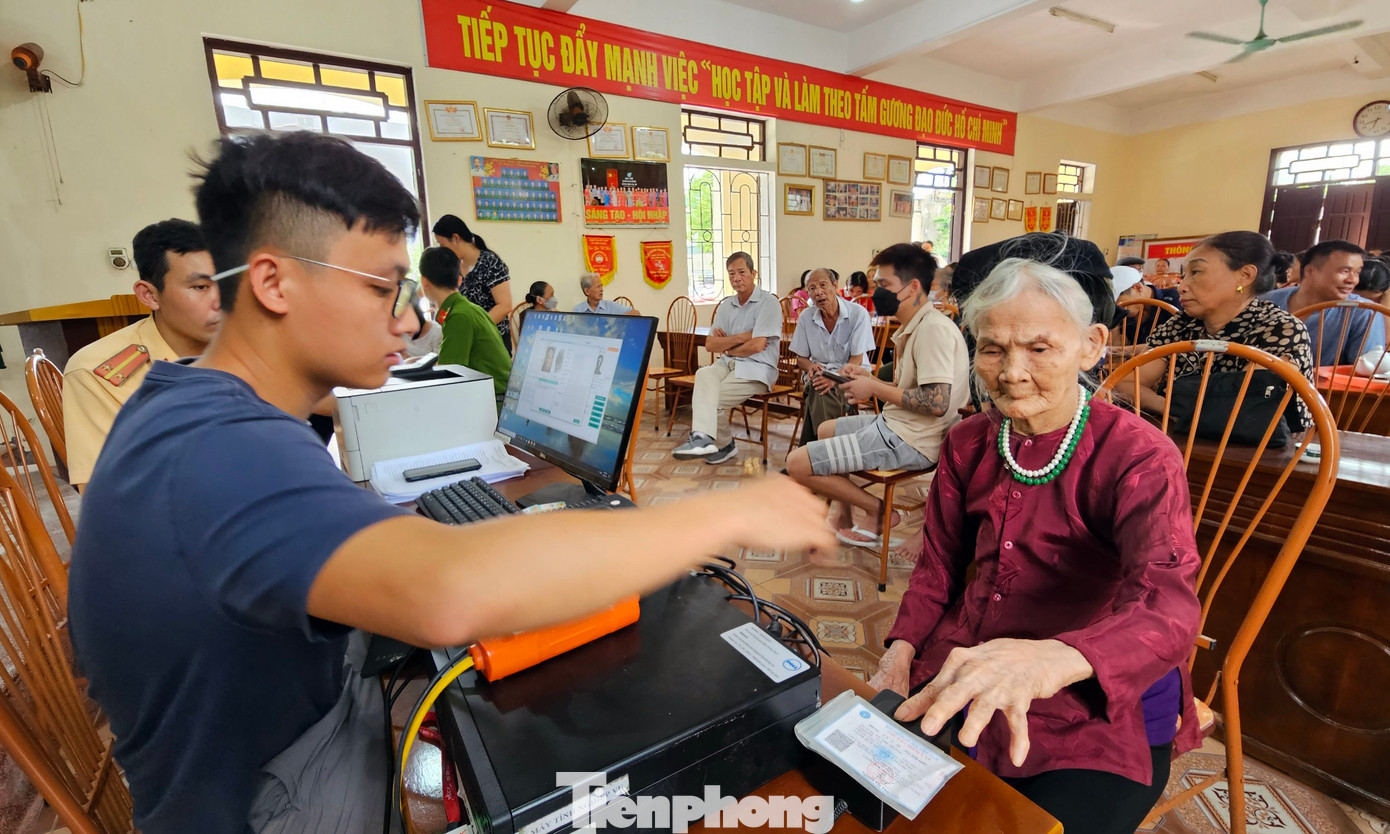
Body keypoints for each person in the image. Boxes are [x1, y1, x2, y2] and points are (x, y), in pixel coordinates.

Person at [67, 132, 835, 834]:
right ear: (274, 282)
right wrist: (725, 513)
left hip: (277, 739)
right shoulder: (223, 449)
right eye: (383, 289)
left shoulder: (197, 405)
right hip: (266, 797)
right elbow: (449, 596)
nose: (408, 322)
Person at [869, 257, 1201, 834]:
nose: (1011, 372)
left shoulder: (1138, 456)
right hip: (967, 665)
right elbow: (938, 568)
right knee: (859, 794)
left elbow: (1167, 606)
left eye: (1039, 349)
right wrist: (899, 650)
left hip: (1092, 706)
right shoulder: (968, 442)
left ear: (1092, 345)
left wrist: (1055, 656)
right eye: (992, 349)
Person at [785, 244, 969, 549]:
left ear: (911, 288)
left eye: (883, 285)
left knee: (796, 463)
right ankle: (844, 513)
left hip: (912, 439)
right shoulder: (918, 325)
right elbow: (909, 388)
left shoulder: (933, 330)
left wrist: (874, 388)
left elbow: (937, 403)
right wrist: (868, 378)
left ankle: (880, 510)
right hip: (897, 425)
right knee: (824, 429)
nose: (877, 292)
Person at [63, 218, 221, 488]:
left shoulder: (257, 342)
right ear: (150, 295)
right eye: (201, 287)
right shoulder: (99, 373)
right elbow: (108, 499)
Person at [1139, 231, 1315, 429]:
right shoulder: (1183, 322)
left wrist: (1179, 409)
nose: (1182, 286)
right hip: (1187, 439)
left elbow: (1244, 407)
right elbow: (1129, 383)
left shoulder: (1281, 328)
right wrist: (1169, 408)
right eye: (1183, 275)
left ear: (1245, 276)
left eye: (1196, 272)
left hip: (1264, 452)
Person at [671, 252, 782, 465]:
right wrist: (741, 338)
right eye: (732, 274)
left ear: (753, 273)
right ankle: (703, 438)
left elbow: (758, 346)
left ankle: (723, 445)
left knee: (711, 399)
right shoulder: (726, 305)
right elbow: (711, 344)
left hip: (757, 368)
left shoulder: (768, 303)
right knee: (704, 373)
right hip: (727, 363)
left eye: (742, 272)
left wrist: (729, 346)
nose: (736, 278)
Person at [1262, 239, 1385, 366]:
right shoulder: (1266, 301)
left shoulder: (1363, 312)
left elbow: (1365, 373)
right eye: (1345, 271)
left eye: (1357, 273)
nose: (1352, 280)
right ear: (1310, 271)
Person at [788, 268, 875, 446]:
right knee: (819, 385)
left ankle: (811, 450)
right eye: (812, 288)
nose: (818, 292)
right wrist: (810, 367)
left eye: (823, 285)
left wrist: (834, 378)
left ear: (835, 286)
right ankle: (822, 453)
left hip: (852, 375)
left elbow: (856, 359)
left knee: (818, 390)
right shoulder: (806, 317)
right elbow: (801, 359)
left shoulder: (857, 314)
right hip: (819, 375)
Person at [418, 246, 512, 398]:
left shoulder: (459, 316)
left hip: (493, 402)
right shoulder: (466, 309)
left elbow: (448, 374)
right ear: (459, 280)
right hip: (491, 396)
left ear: (424, 282)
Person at [432, 214, 514, 351]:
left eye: (442, 244)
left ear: (456, 238)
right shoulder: (454, 266)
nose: (441, 250)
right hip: (467, 341)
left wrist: (475, 330)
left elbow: (504, 306)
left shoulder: (490, 262)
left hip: (492, 341)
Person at [1110, 264, 1180, 345]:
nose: (1117, 306)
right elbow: (1116, 351)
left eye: (1117, 300)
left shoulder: (1174, 300)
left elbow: (1173, 345)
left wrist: (1125, 350)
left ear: (1138, 288)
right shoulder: (1125, 313)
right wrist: (1115, 322)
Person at [572, 273, 637, 314]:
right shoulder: (578, 310)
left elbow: (636, 313)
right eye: (598, 287)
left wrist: (617, 320)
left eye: (601, 286)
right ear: (587, 291)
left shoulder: (610, 306)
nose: (602, 290)